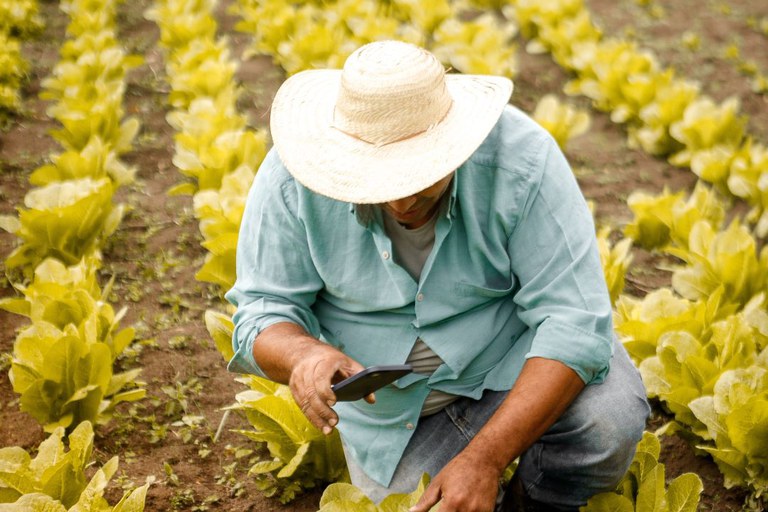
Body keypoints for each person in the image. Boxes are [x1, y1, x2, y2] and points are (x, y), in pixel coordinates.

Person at [226, 40, 650, 512]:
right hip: (397, 422)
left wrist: (486, 459)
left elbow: (574, 323)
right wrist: (303, 355)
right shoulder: (293, 179)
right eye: (377, 182)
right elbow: (262, 313)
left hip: (514, 365)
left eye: (418, 177)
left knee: (607, 419)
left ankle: (538, 500)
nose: (401, 201)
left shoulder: (521, 161)